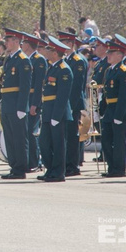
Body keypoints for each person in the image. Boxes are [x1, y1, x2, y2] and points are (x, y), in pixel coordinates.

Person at [38, 35, 73, 182]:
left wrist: (56, 116)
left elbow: (62, 96)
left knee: (58, 144)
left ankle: (58, 172)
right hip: (48, 111)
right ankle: (50, 169)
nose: (45, 52)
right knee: (44, 142)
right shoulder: (52, 68)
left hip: (57, 113)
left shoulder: (64, 70)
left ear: (54, 53)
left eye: (48, 50)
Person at [99, 37, 126, 178]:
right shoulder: (110, 71)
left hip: (119, 110)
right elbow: (107, 92)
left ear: (120, 55)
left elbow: (124, 96)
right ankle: (111, 167)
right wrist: (102, 109)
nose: (108, 55)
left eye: (111, 53)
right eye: (108, 53)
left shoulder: (124, 71)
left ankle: (119, 169)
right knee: (106, 140)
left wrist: (119, 116)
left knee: (119, 141)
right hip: (110, 109)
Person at [0, 28, 32, 179]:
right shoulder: (10, 58)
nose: (6, 43)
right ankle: (14, 166)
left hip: (16, 105)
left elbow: (25, 86)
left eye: (8, 40)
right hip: (7, 104)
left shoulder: (23, 59)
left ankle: (20, 168)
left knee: (19, 138)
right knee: (10, 138)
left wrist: (21, 107)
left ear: (16, 41)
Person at [57, 30, 88, 176]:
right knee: (66, 136)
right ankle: (66, 163)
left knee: (72, 135)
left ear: (70, 44)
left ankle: (72, 165)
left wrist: (69, 105)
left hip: (72, 103)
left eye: (62, 42)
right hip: (65, 103)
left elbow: (76, 87)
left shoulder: (77, 60)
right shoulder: (67, 60)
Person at [23, 33, 48, 172]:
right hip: (25, 98)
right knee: (25, 132)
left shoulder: (39, 60)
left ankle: (35, 162)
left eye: (24, 43)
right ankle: (28, 160)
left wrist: (35, 103)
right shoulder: (26, 59)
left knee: (32, 132)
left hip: (33, 99)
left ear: (28, 45)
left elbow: (39, 84)